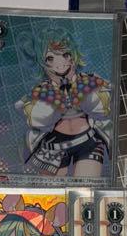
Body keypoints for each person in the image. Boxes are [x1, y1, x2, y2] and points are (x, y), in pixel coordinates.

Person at [17, 32, 111, 177]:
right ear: (42, 63)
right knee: (52, 190)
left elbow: (103, 110)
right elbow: (36, 120)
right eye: (50, 58)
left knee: (85, 187)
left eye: (65, 55)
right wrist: (55, 102)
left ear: (74, 56)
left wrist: (85, 94)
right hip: (53, 147)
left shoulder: (89, 80)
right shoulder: (41, 90)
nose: (60, 64)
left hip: (89, 141)